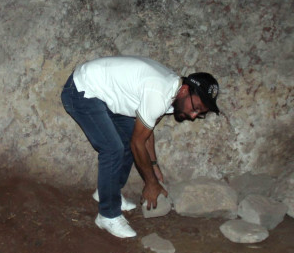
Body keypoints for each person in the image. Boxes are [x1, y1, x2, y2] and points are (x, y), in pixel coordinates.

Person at [61, 55, 220, 239]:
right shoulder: (160, 93)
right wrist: (151, 183)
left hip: (106, 95)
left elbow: (145, 132)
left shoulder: (172, 92)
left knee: (130, 137)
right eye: (196, 107)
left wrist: (153, 164)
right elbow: (138, 143)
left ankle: (108, 191)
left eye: (199, 113)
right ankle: (107, 215)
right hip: (82, 90)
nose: (193, 115)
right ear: (185, 90)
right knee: (112, 149)